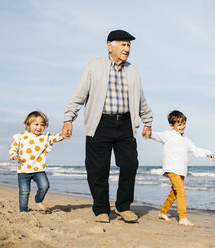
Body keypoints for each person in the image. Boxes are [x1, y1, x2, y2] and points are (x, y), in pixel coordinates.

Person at [61, 30, 153, 223]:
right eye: (123, 44)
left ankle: (123, 206)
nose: (127, 49)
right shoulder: (94, 66)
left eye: (129, 45)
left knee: (130, 164)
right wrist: (68, 119)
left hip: (126, 124)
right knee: (97, 169)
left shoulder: (133, 70)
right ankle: (102, 209)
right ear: (109, 45)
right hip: (100, 123)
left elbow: (141, 99)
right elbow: (79, 95)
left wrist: (147, 121)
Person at [149, 110, 214, 226]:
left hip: (181, 170)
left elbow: (194, 149)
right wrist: (147, 133)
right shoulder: (167, 135)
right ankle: (183, 217)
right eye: (179, 124)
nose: (182, 126)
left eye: (183, 123)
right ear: (171, 125)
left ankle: (163, 212)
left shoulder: (185, 139)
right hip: (171, 168)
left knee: (174, 193)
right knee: (181, 192)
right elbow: (155, 135)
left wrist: (206, 153)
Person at [9, 111, 64, 212]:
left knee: (45, 186)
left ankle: (38, 200)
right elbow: (13, 147)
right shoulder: (21, 136)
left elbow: (55, 138)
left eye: (42, 125)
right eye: (36, 124)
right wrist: (14, 155)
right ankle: (23, 211)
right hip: (23, 170)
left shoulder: (44, 138)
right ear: (28, 124)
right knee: (24, 192)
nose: (39, 127)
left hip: (38, 169)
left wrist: (63, 135)